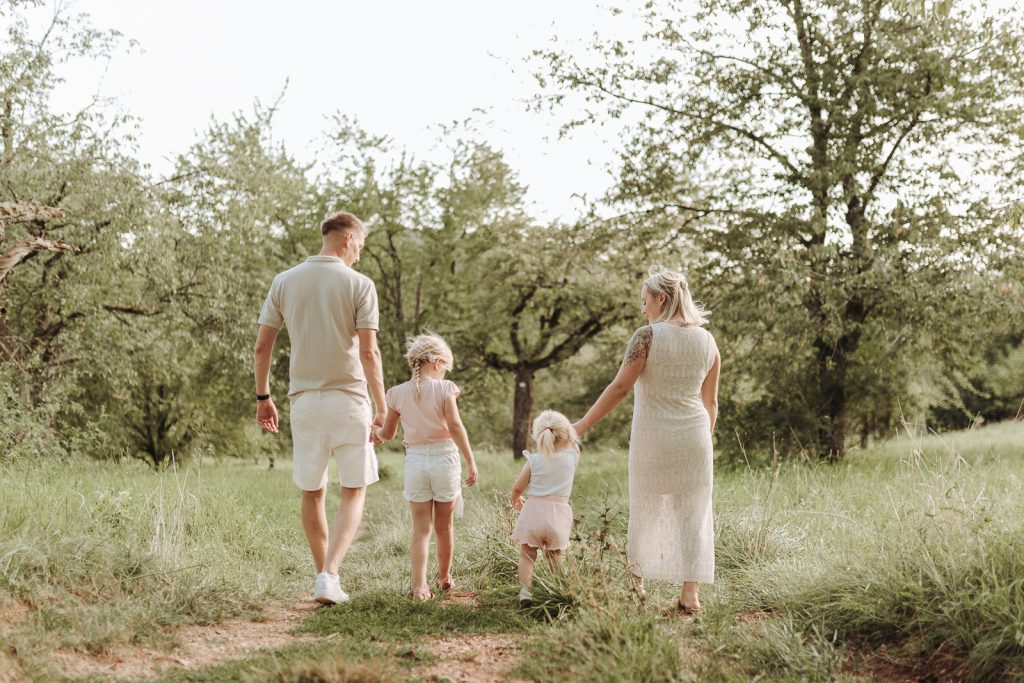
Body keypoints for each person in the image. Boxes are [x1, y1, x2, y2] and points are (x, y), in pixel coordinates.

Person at [254, 211, 387, 605]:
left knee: (312, 490)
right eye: (360, 246)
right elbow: (369, 352)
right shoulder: (360, 285)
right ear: (347, 238)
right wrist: (383, 408)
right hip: (349, 400)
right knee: (354, 489)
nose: (360, 255)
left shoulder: (284, 281)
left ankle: (323, 576)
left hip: (304, 402)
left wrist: (263, 398)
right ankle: (330, 575)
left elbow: (263, 347)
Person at [574, 267, 720, 614]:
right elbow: (711, 402)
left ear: (662, 299)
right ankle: (690, 595)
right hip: (696, 439)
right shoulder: (708, 341)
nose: (643, 310)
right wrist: (702, 439)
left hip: (653, 438)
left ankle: (637, 589)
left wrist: (581, 425)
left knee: (646, 508)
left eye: (645, 301)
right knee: (693, 515)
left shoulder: (647, 336)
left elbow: (620, 387)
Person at [374, 333, 478, 600]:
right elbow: (455, 426)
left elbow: (386, 434)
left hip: (416, 462)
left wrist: (373, 432)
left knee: (421, 528)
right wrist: (470, 460)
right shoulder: (445, 389)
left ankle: (419, 587)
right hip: (445, 459)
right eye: (446, 368)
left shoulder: (396, 394)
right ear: (438, 362)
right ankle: (444, 577)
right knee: (444, 527)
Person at [510, 410, 581, 608]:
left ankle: (525, 593)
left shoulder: (534, 460)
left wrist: (515, 499)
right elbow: (574, 445)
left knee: (527, 554)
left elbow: (517, 488)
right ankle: (557, 590)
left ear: (538, 435)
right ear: (566, 435)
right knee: (555, 555)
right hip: (558, 515)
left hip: (533, 513)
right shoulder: (572, 458)